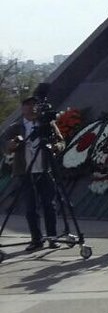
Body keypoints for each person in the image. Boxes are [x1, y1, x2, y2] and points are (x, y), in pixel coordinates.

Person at [4, 93, 62, 251]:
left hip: (44, 169)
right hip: (24, 172)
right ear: (22, 108)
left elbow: (60, 141)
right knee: (31, 207)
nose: (32, 108)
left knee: (49, 205)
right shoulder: (15, 127)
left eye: (34, 104)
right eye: (28, 105)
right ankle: (36, 239)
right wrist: (11, 144)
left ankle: (52, 237)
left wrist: (56, 147)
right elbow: (5, 146)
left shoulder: (47, 124)